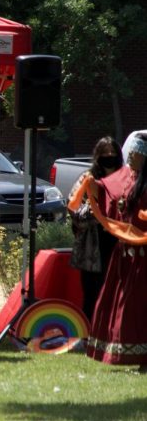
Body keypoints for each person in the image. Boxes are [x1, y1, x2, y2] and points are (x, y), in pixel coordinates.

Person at [86, 132, 147, 371]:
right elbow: (109, 191)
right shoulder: (127, 178)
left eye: (135, 155)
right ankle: (134, 356)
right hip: (125, 256)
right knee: (124, 305)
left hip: (144, 257)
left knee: (137, 307)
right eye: (129, 154)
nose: (130, 159)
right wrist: (94, 187)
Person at [68, 136, 122, 321]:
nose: (109, 157)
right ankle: (88, 336)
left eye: (112, 154)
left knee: (117, 293)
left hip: (120, 245)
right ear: (97, 156)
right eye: (104, 154)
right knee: (92, 292)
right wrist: (97, 208)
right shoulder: (87, 178)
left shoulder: (127, 178)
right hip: (93, 247)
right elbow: (74, 211)